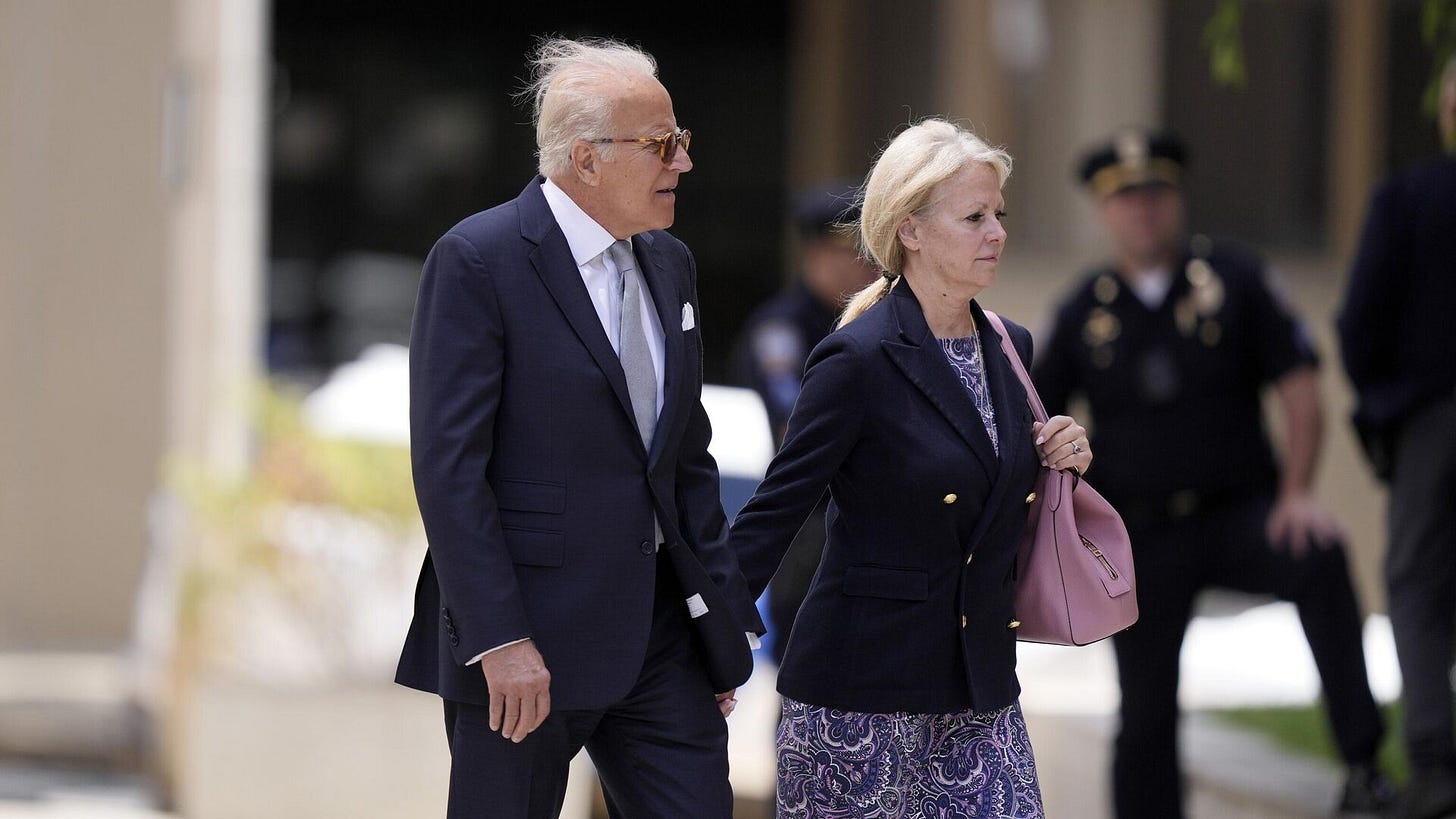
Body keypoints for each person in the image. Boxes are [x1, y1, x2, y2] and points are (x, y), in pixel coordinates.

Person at [394, 37, 762, 819]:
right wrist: (498, 638)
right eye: (662, 144)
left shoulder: (671, 264)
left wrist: (719, 621)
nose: (683, 163)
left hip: (662, 640)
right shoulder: (478, 259)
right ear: (585, 159)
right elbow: (449, 468)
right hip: (528, 645)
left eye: (682, 141)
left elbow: (683, 456)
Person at [729, 118, 1093, 817]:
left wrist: (1060, 459)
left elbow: (994, 505)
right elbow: (774, 512)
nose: (997, 232)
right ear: (911, 230)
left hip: (981, 687)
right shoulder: (857, 358)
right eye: (974, 216)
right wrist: (708, 648)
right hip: (862, 693)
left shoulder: (1011, 346)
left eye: (999, 215)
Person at [1032, 128, 1393, 818]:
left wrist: (1296, 494)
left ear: (1178, 198)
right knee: (1143, 709)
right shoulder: (1085, 306)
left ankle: (1363, 765)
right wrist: (1066, 526)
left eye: (1157, 193)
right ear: (1106, 211)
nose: (1144, 210)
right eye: (1127, 198)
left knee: (1320, 555)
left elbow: (1298, 384)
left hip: (1240, 512)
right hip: (1140, 533)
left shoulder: (1236, 277)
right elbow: (1037, 415)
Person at [1338, 57, 1456, 819]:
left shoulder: (1412, 196)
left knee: (1416, 586)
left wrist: (1386, 406)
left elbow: (1359, 322)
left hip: (1433, 420)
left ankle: (1436, 763)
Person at [729, 181, 878, 665]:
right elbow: (796, 424)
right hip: (812, 518)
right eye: (848, 254)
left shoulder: (877, 320)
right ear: (816, 252)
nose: (862, 267)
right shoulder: (783, 330)